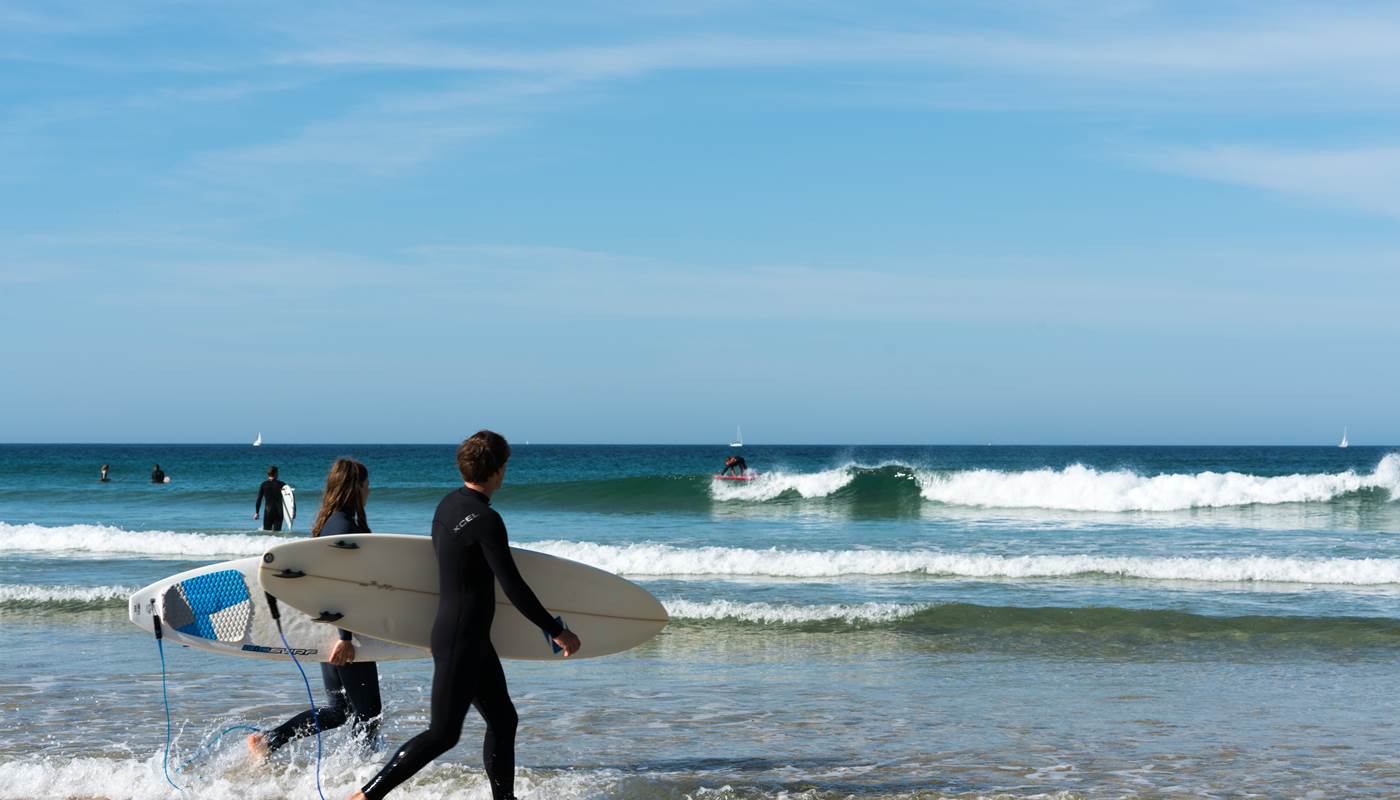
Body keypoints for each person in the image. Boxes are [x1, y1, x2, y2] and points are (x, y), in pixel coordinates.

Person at [351, 430, 581, 800]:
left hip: (463, 634)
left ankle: (504, 799)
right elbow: (513, 586)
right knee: (443, 733)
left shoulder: (448, 505)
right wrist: (555, 630)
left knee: (504, 720)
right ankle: (366, 796)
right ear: (498, 470)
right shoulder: (487, 520)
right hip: (463, 638)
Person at [249, 458, 382, 759]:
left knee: (339, 711)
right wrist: (346, 637)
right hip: (344, 630)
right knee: (369, 712)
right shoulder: (344, 526)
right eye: (366, 484)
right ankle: (366, 774)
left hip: (330, 627)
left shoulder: (330, 523)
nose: (369, 490)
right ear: (355, 487)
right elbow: (338, 585)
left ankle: (269, 741)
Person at [254, 465, 288, 531]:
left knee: (266, 533)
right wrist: (293, 511)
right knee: (277, 532)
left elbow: (259, 499)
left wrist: (257, 512)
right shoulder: (282, 484)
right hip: (279, 512)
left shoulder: (263, 484)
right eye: (277, 473)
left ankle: (267, 541)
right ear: (275, 473)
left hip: (268, 512)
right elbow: (289, 497)